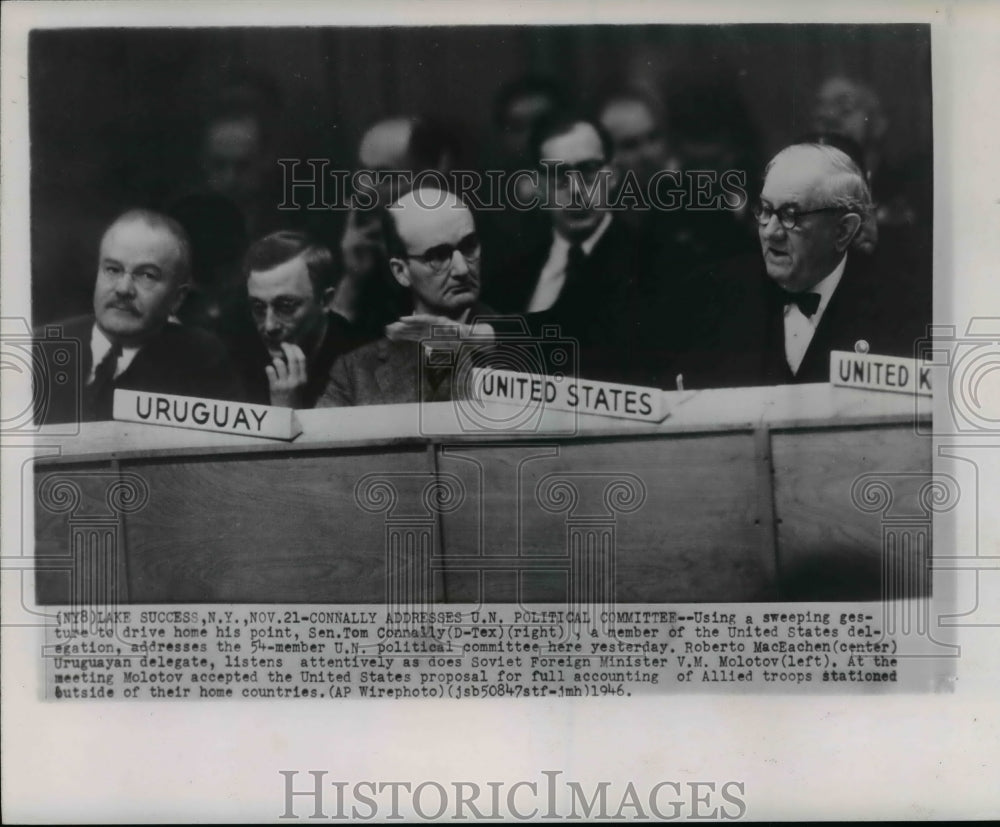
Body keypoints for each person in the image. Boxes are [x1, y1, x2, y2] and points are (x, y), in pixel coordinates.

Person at [676, 143, 929, 389]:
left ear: (842, 231)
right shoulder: (714, 297)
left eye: (791, 215)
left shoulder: (901, 309)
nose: (771, 232)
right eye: (765, 210)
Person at [34, 209, 245, 425]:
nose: (124, 289)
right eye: (113, 270)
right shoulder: (37, 350)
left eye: (147, 275)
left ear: (177, 298)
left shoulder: (203, 361)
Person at [484, 113, 650, 384]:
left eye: (587, 172)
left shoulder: (649, 260)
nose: (575, 190)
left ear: (613, 175)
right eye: (558, 175)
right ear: (536, 187)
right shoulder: (508, 277)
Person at [317, 188, 495, 407]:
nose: (461, 269)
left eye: (469, 247)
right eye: (438, 256)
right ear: (401, 272)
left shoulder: (524, 350)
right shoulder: (355, 372)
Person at [239, 231, 362, 408]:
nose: (269, 325)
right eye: (258, 307)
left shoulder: (362, 362)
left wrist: (287, 410)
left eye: (286, 306)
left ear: (325, 300)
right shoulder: (240, 353)